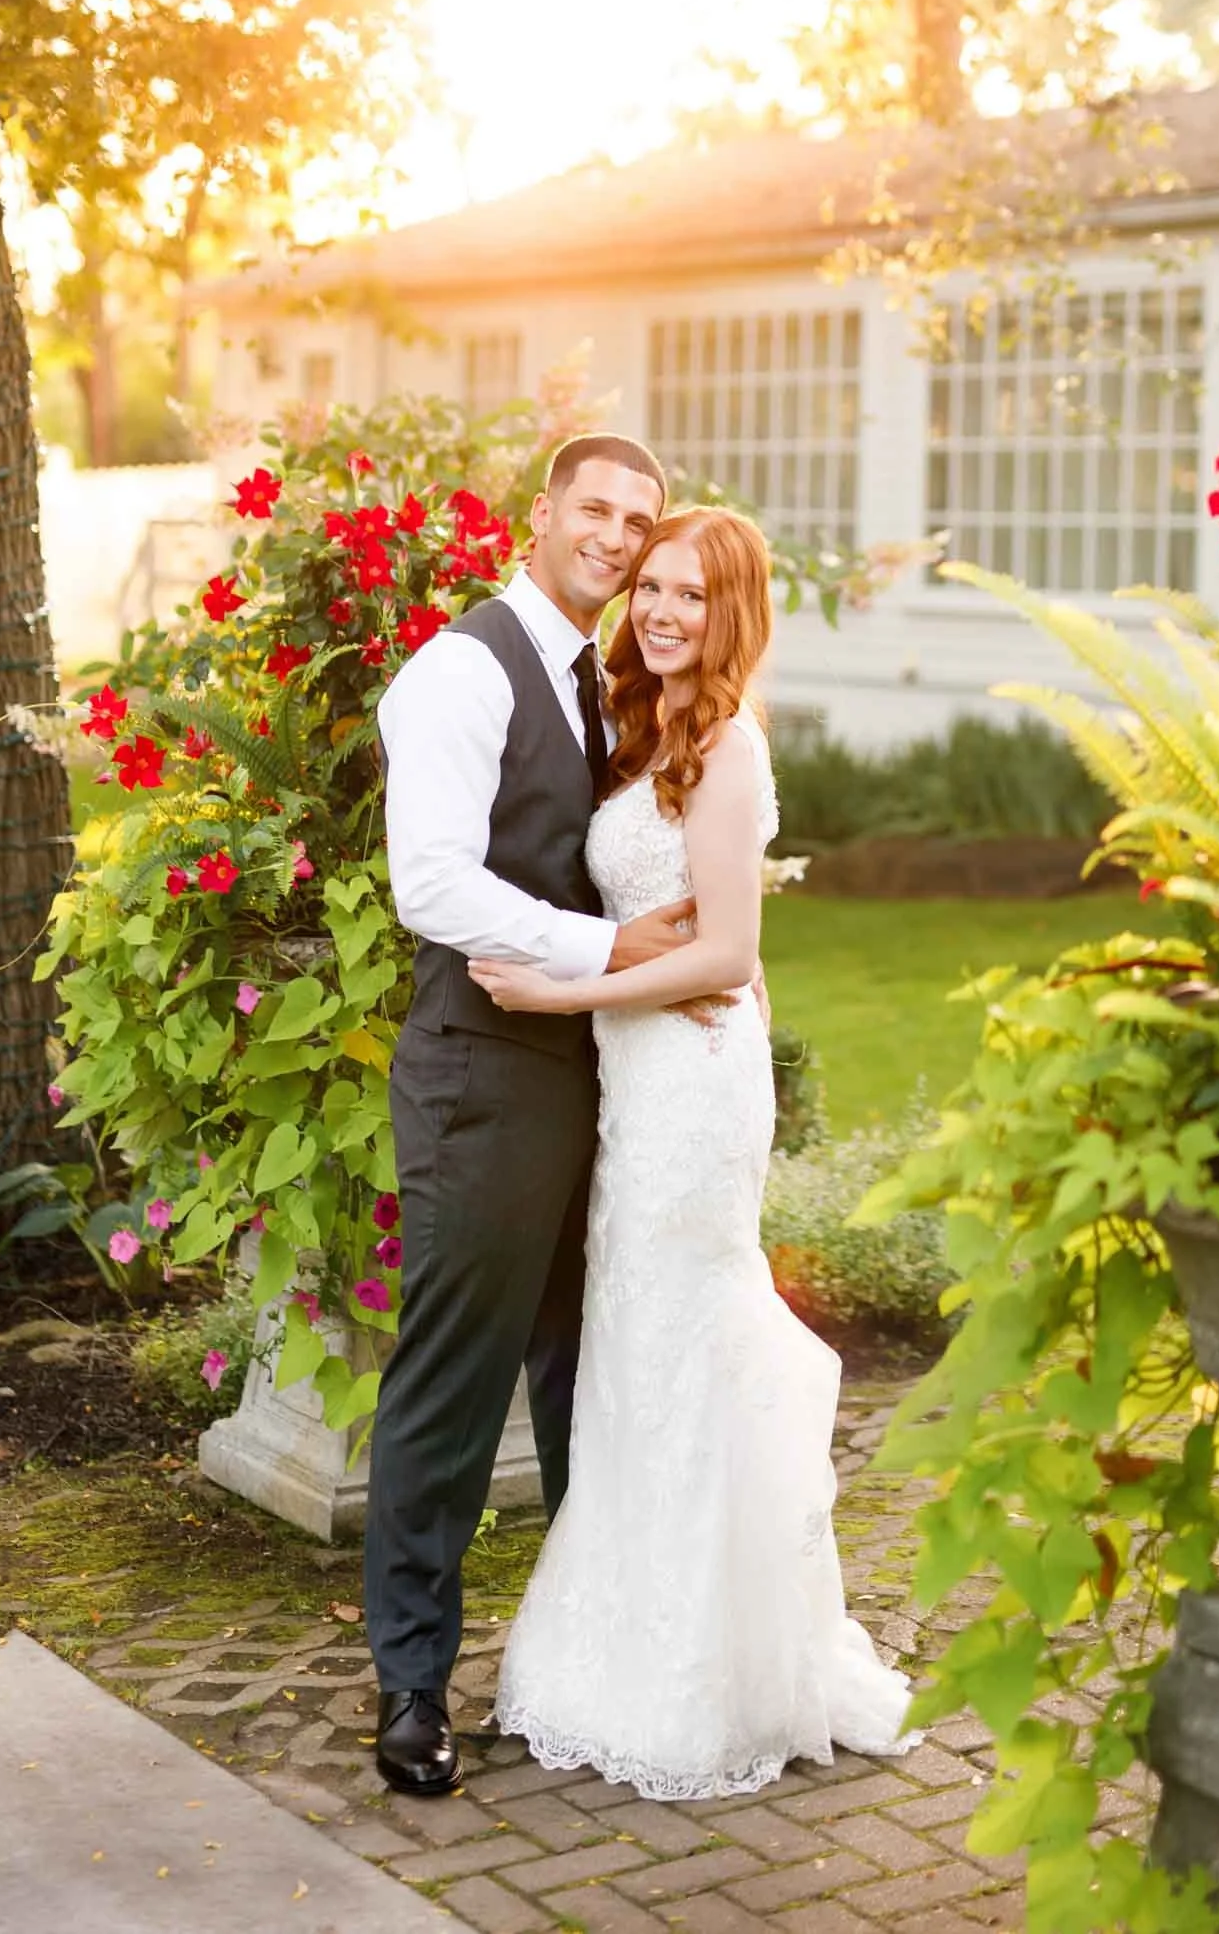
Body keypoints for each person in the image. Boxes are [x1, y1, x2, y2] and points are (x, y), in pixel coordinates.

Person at [469, 506, 918, 1801]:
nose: (662, 611)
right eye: (651, 587)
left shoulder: (729, 751)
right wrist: (611, 952)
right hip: (636, 1077)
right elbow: (643, 909)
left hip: (698, 1085)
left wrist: (557, 994)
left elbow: (730, 955)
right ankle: (623, 1638)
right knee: (632, 1352)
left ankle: (705, 1672)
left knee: (680, 1342)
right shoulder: (637, 728)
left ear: (734, 617)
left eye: (691, 596)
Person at [366, 432, 695, 1799]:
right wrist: (606, 951)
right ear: (545, 513)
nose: (619, 537)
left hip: (596, 1081)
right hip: (483, 1076)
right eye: (599, 510)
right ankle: (411, 1688)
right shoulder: (461, 669)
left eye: (642, 520)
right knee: (454, 1384)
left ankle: (585, 1664)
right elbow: (431, 884)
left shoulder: (604, 681)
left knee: (588, 1378)